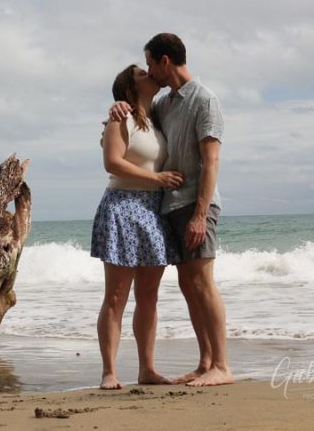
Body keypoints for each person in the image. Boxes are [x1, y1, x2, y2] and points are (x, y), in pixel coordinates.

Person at [111, 33, 234, 387]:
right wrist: (117, 106)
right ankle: (206, 362)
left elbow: (211, 163)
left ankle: (222, 366)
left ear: (166, 61)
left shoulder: (204, 101)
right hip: (172, 207)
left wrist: (199, 213)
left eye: (150, 63)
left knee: (202, 281)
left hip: (197, 205)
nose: (149, 70)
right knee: (188, 284)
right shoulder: (166, 104)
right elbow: (138, 118)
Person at [90, 64, 184, 390]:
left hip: (152, 211)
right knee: (116, 296)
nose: (149, 73)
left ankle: (147, 369)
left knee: (149, 297)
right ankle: (109, 372)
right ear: (129, 87)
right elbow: (113, 163)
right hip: (122, 207)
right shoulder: (120, 118)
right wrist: (158, 178)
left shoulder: (155, 118)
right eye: (141, 73)